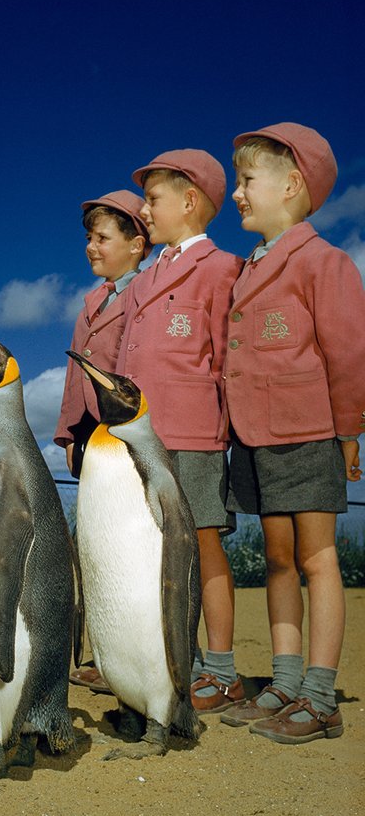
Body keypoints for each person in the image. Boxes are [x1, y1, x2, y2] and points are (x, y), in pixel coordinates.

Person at [219, 122, 365, 744]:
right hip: (253, 437)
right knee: (277, 559)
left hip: (308, 431)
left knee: (317, 558)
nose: (237, 194)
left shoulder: (324, 262)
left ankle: (320, 693)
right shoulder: (247, 270)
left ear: (293, 184)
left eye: (247, 180)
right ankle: (282, 682)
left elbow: (349, 353)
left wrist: (350, 431)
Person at [115, 149, 244, 713]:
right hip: (138, 438)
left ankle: (221, 670)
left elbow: (229, 357)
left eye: (153, 199)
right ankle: (174, 660)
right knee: (151, 549)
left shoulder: (223, 268)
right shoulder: (142, 281)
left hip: (194, 435)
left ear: (190, 201)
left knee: (203, 544)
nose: (144, 210)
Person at [55, 189, 150, 693]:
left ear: (137, 244)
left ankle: (143, 655)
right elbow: (76, 376)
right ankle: (105, 654)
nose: (92, 246)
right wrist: (68, 431)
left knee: (132, 546)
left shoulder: (146, 294)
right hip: (93, 438)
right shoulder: (92, 301)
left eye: (103, 237)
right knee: (96, 547)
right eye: (89, 237)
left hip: (124, 434)